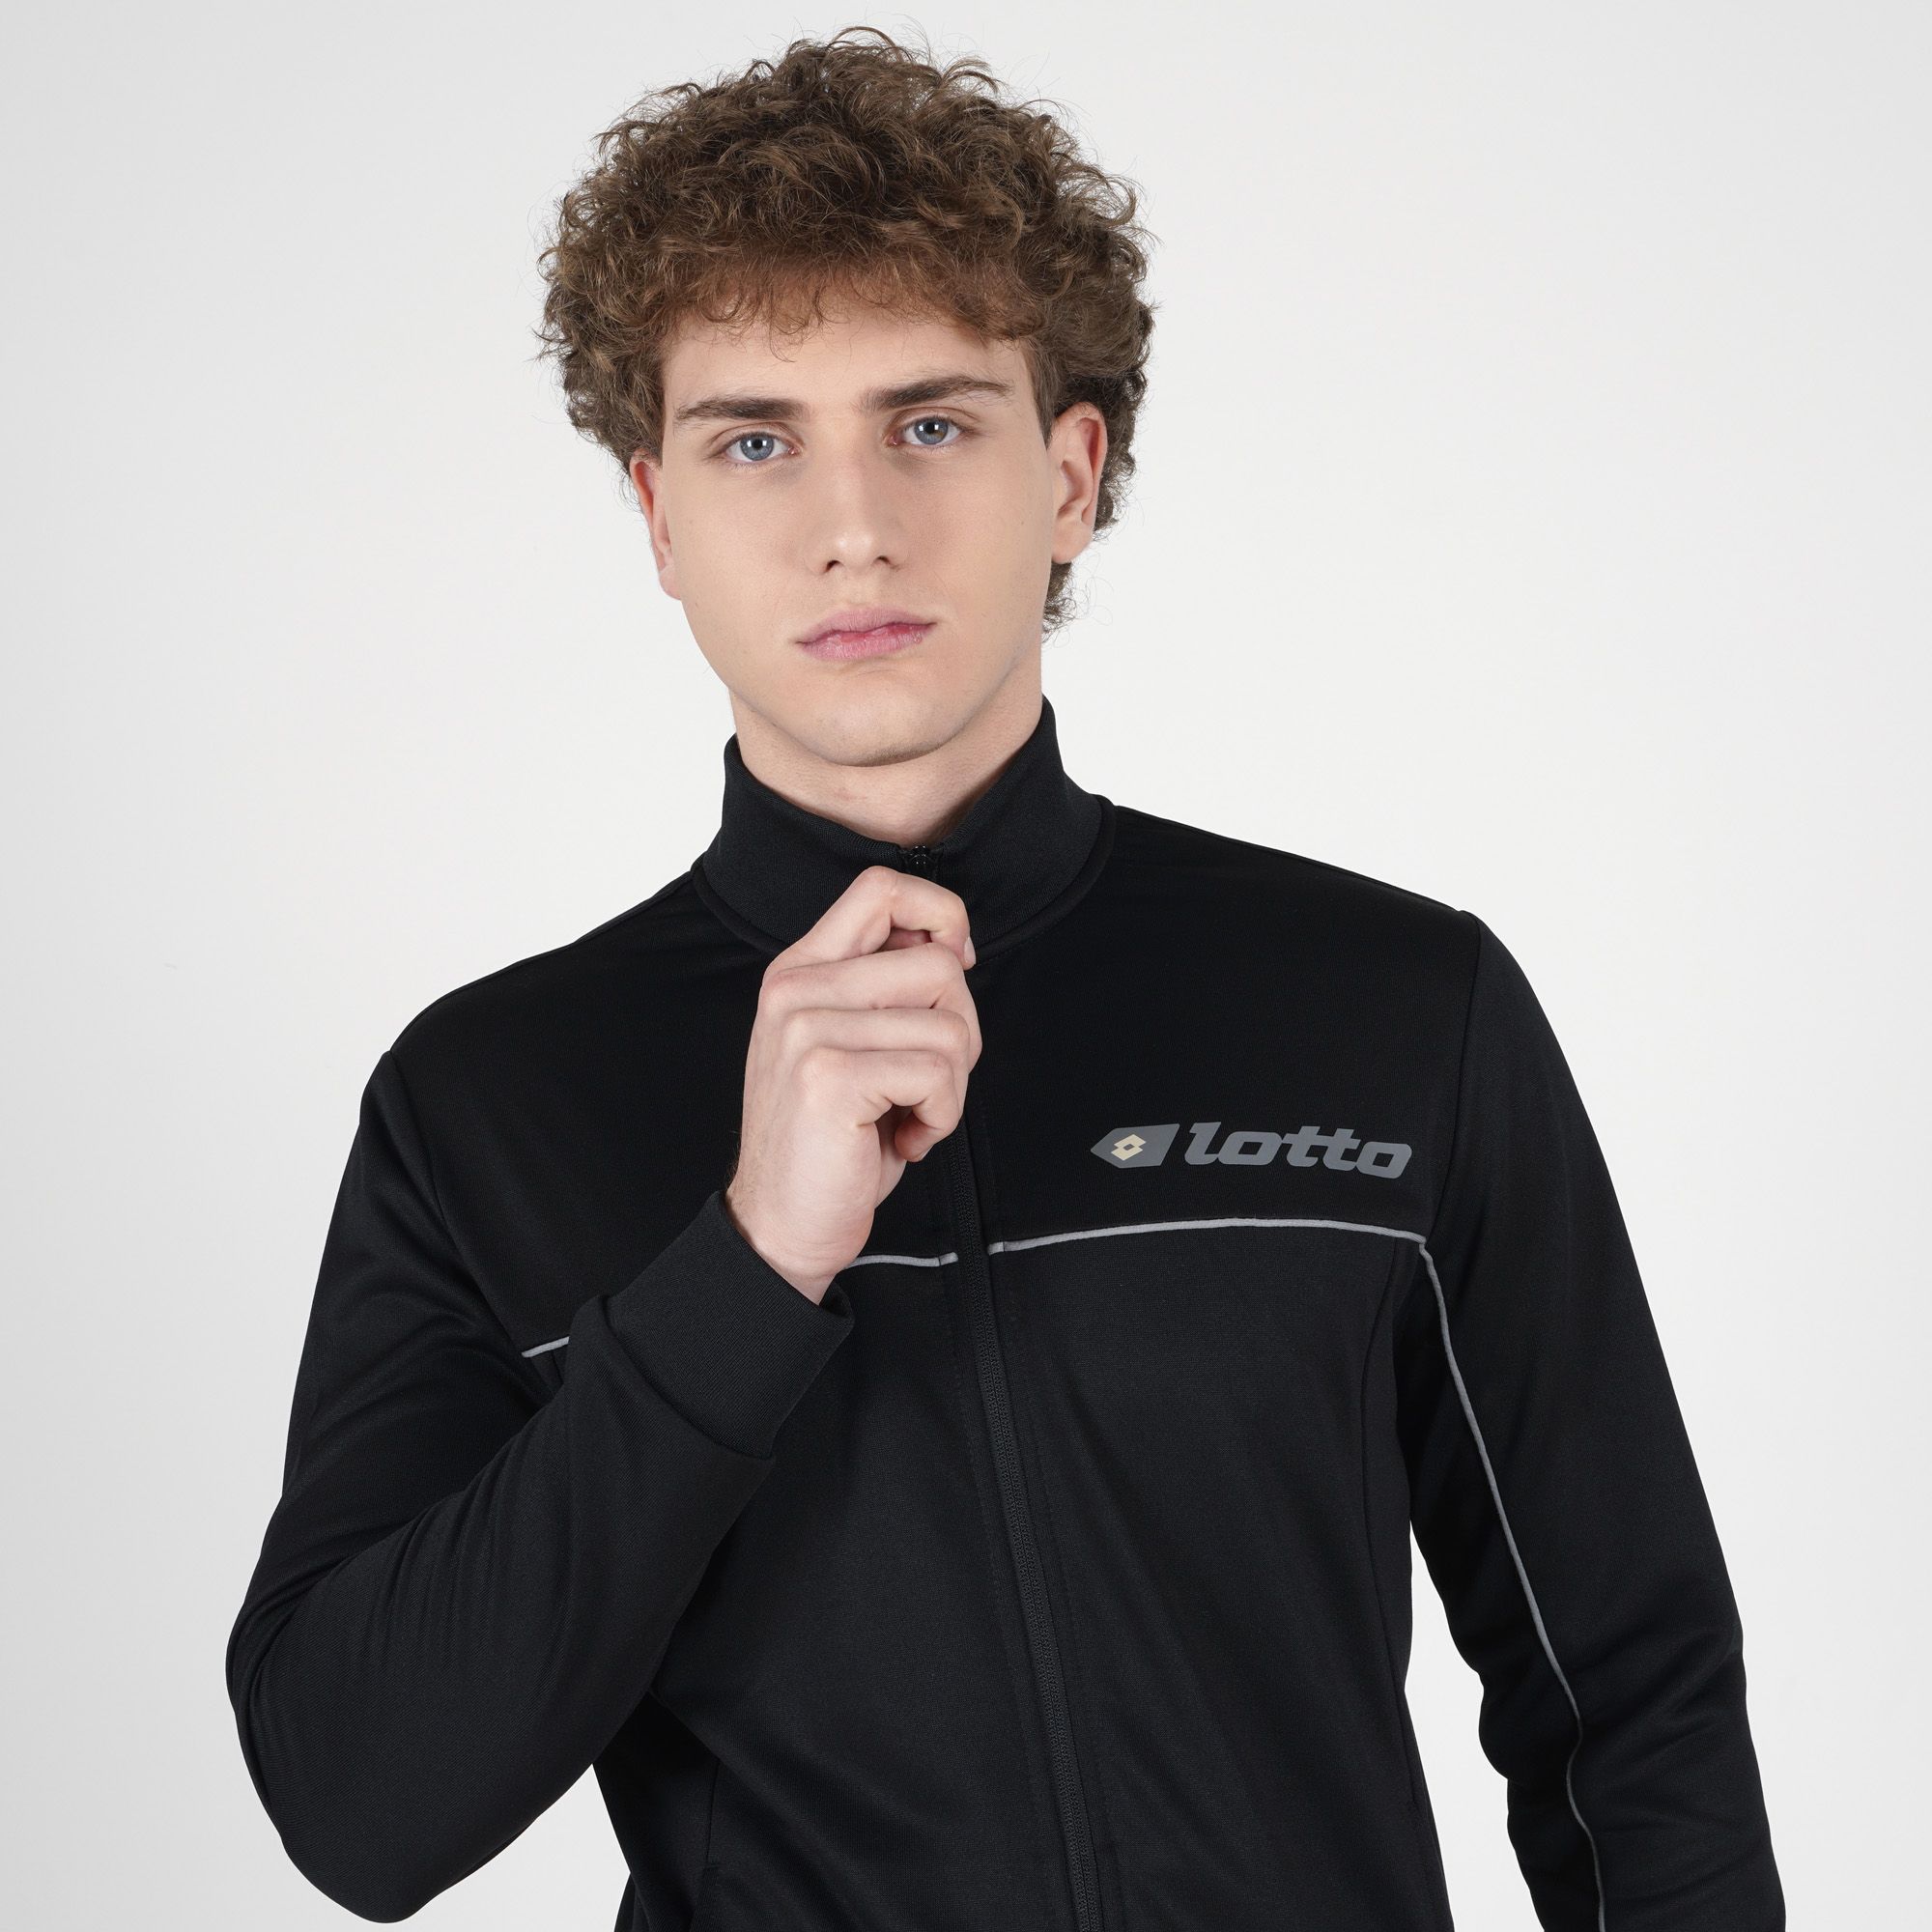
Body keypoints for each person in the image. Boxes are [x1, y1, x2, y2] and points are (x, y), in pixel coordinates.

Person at [224, 26, 1784, 1930]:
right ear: (658, 517)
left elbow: (1631, 1706)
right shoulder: (488, 1102)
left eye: (931, 424)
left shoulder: (1393, 1010)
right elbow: (358, 1804)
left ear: (1069, 473)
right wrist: (746, 1270)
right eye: (754, 441)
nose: (852, 526)